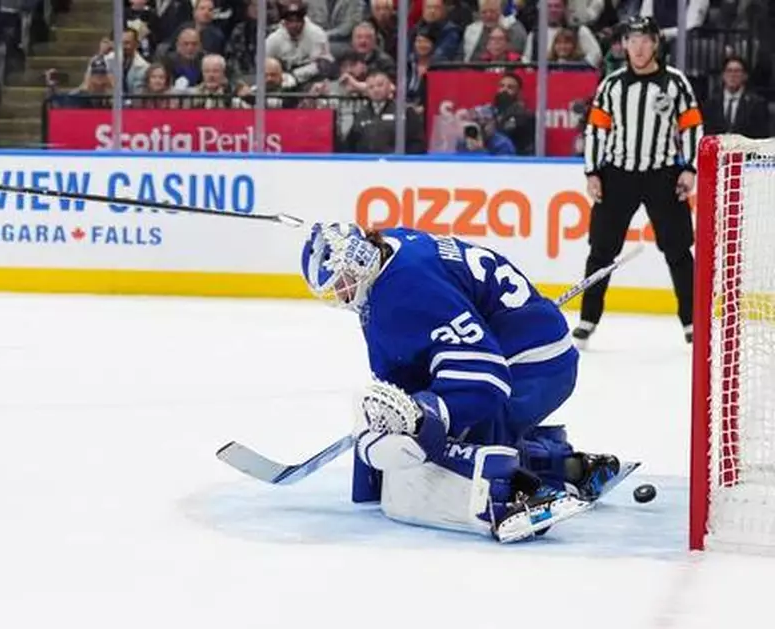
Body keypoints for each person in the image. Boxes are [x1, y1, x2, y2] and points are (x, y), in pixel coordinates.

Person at [300, 222, 622, 543]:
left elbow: (486, 376)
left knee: (443, 446)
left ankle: (521, 494)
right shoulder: (390, 247)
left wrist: (428, 414)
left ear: (358, 262)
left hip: (533, 364)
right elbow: (417, 349)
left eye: (340, 281)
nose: (339, 294)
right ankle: (565, 465)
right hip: (524, 342)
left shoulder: (405, 289)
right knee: (434, 434)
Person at [576, 15, 703, 348]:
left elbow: (691, 127)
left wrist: (689, 168)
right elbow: (596, 130)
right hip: (618, 175)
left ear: (656, 43)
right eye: (632, 40)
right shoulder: (612, 85)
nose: (639, 47)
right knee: (600, 251)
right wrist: (593, 172)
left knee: (678, 250)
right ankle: (587, 320)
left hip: (663, 175)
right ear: (624, 45)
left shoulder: (675, 82)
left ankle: (692, 322)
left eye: (645, 40)